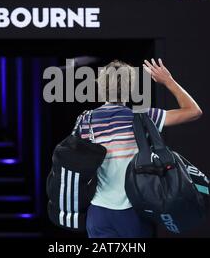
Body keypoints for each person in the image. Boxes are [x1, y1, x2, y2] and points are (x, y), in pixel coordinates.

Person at [78, 59, 202, 238]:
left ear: (100, 87)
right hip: (134, 212)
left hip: (98, 213)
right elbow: (193, 111)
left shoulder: (86, 121)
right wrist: (168, 80)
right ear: (130, 89)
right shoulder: (145, 116)